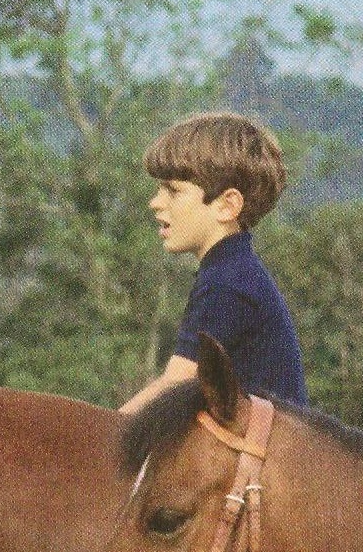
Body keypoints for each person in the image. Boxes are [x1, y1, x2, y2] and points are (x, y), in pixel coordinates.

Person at [119, 112, 307, 415]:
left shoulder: (227, 283)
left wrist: (104, 440)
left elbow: (174, 386)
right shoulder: (232, 270)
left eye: (173, 190)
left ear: (227, 205)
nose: (155, 202)